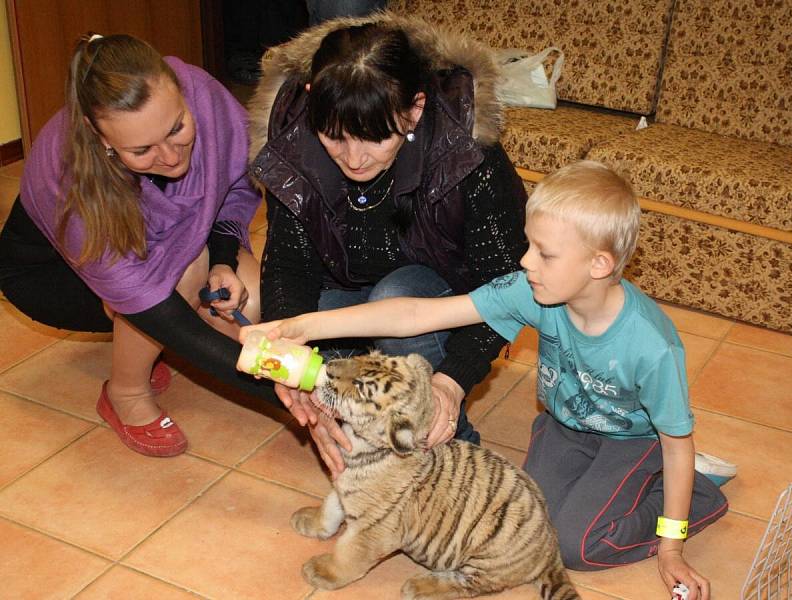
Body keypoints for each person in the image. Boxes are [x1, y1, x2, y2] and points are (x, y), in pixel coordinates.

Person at [241, 161, 736, 600]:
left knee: (573, 545)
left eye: (544, 254)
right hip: (564, 426)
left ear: (599, 265)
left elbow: (676, 441)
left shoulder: (652, 347)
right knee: (531, 524)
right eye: (529, 247)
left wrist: (671, 548)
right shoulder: (533, 290)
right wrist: (298, 327)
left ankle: (697, 492)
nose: (524, 262)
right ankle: (647, 484)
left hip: (635, 441)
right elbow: (417, 313)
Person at [247, 15, 528, 475]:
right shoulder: (292, 145)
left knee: (396, 296)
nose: (354, 158)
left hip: (443, 308)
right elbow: (288, 267)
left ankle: (456, 456)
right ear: (314, 102)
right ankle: (386, 442)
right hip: (345, 299)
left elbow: (507, 287)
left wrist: (451, 382)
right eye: (334, 136)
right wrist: (290, 365)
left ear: (415, 109)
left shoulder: (468, 155)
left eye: (375, 137)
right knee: (316, 332)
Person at [0, 33, 282, 457]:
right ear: (102, 140)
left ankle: (148, 347)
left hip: (168, 249)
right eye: (142, 149)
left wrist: (223, 259)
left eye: (178, 128)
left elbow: (237, 189)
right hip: (49, 277)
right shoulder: (70, 169)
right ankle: (126, 393)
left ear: (182, 93)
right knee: (182, 273)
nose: (171, 156)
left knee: (252, 301)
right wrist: (278, 392)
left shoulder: (201, 92)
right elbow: (147, 298)